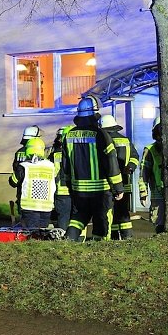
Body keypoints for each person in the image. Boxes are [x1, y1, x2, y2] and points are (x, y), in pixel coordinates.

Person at [60, 95, 124, 241]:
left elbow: (65, 165)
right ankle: (98, 251)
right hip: (100, 191)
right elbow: (111, 163)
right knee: (101, 221)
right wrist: (118, 188)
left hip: (78, 190)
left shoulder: (68, 136)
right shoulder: (101, 135)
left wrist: (69, 186)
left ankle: (67, 243)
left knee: (78, 219)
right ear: (94, 114)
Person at [99, 114, 139, 239]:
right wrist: (130, 167)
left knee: (109, 211)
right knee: (123, 211)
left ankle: (113, 236)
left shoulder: (103, 141)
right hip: (125, 182)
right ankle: (127, 236)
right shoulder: (126, 140)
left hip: (108, 183)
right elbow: (135, 157)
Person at [10, 137, 56, 228]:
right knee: (42, 234)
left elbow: (13, 182)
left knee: (30, 235)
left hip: (30, 208)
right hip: (46, 207)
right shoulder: (51, 166)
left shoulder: (24, 166)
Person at [139, 118, 166, 234]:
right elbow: (143, 172)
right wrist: (143, 193)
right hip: (158, 193)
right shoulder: (150, 150)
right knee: (160, 224)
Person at [49, 126, 73, 231]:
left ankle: (64, 238)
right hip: (75, 190)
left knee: (63, 216)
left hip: (60, 191)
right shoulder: (73, 152)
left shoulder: (53, 154)